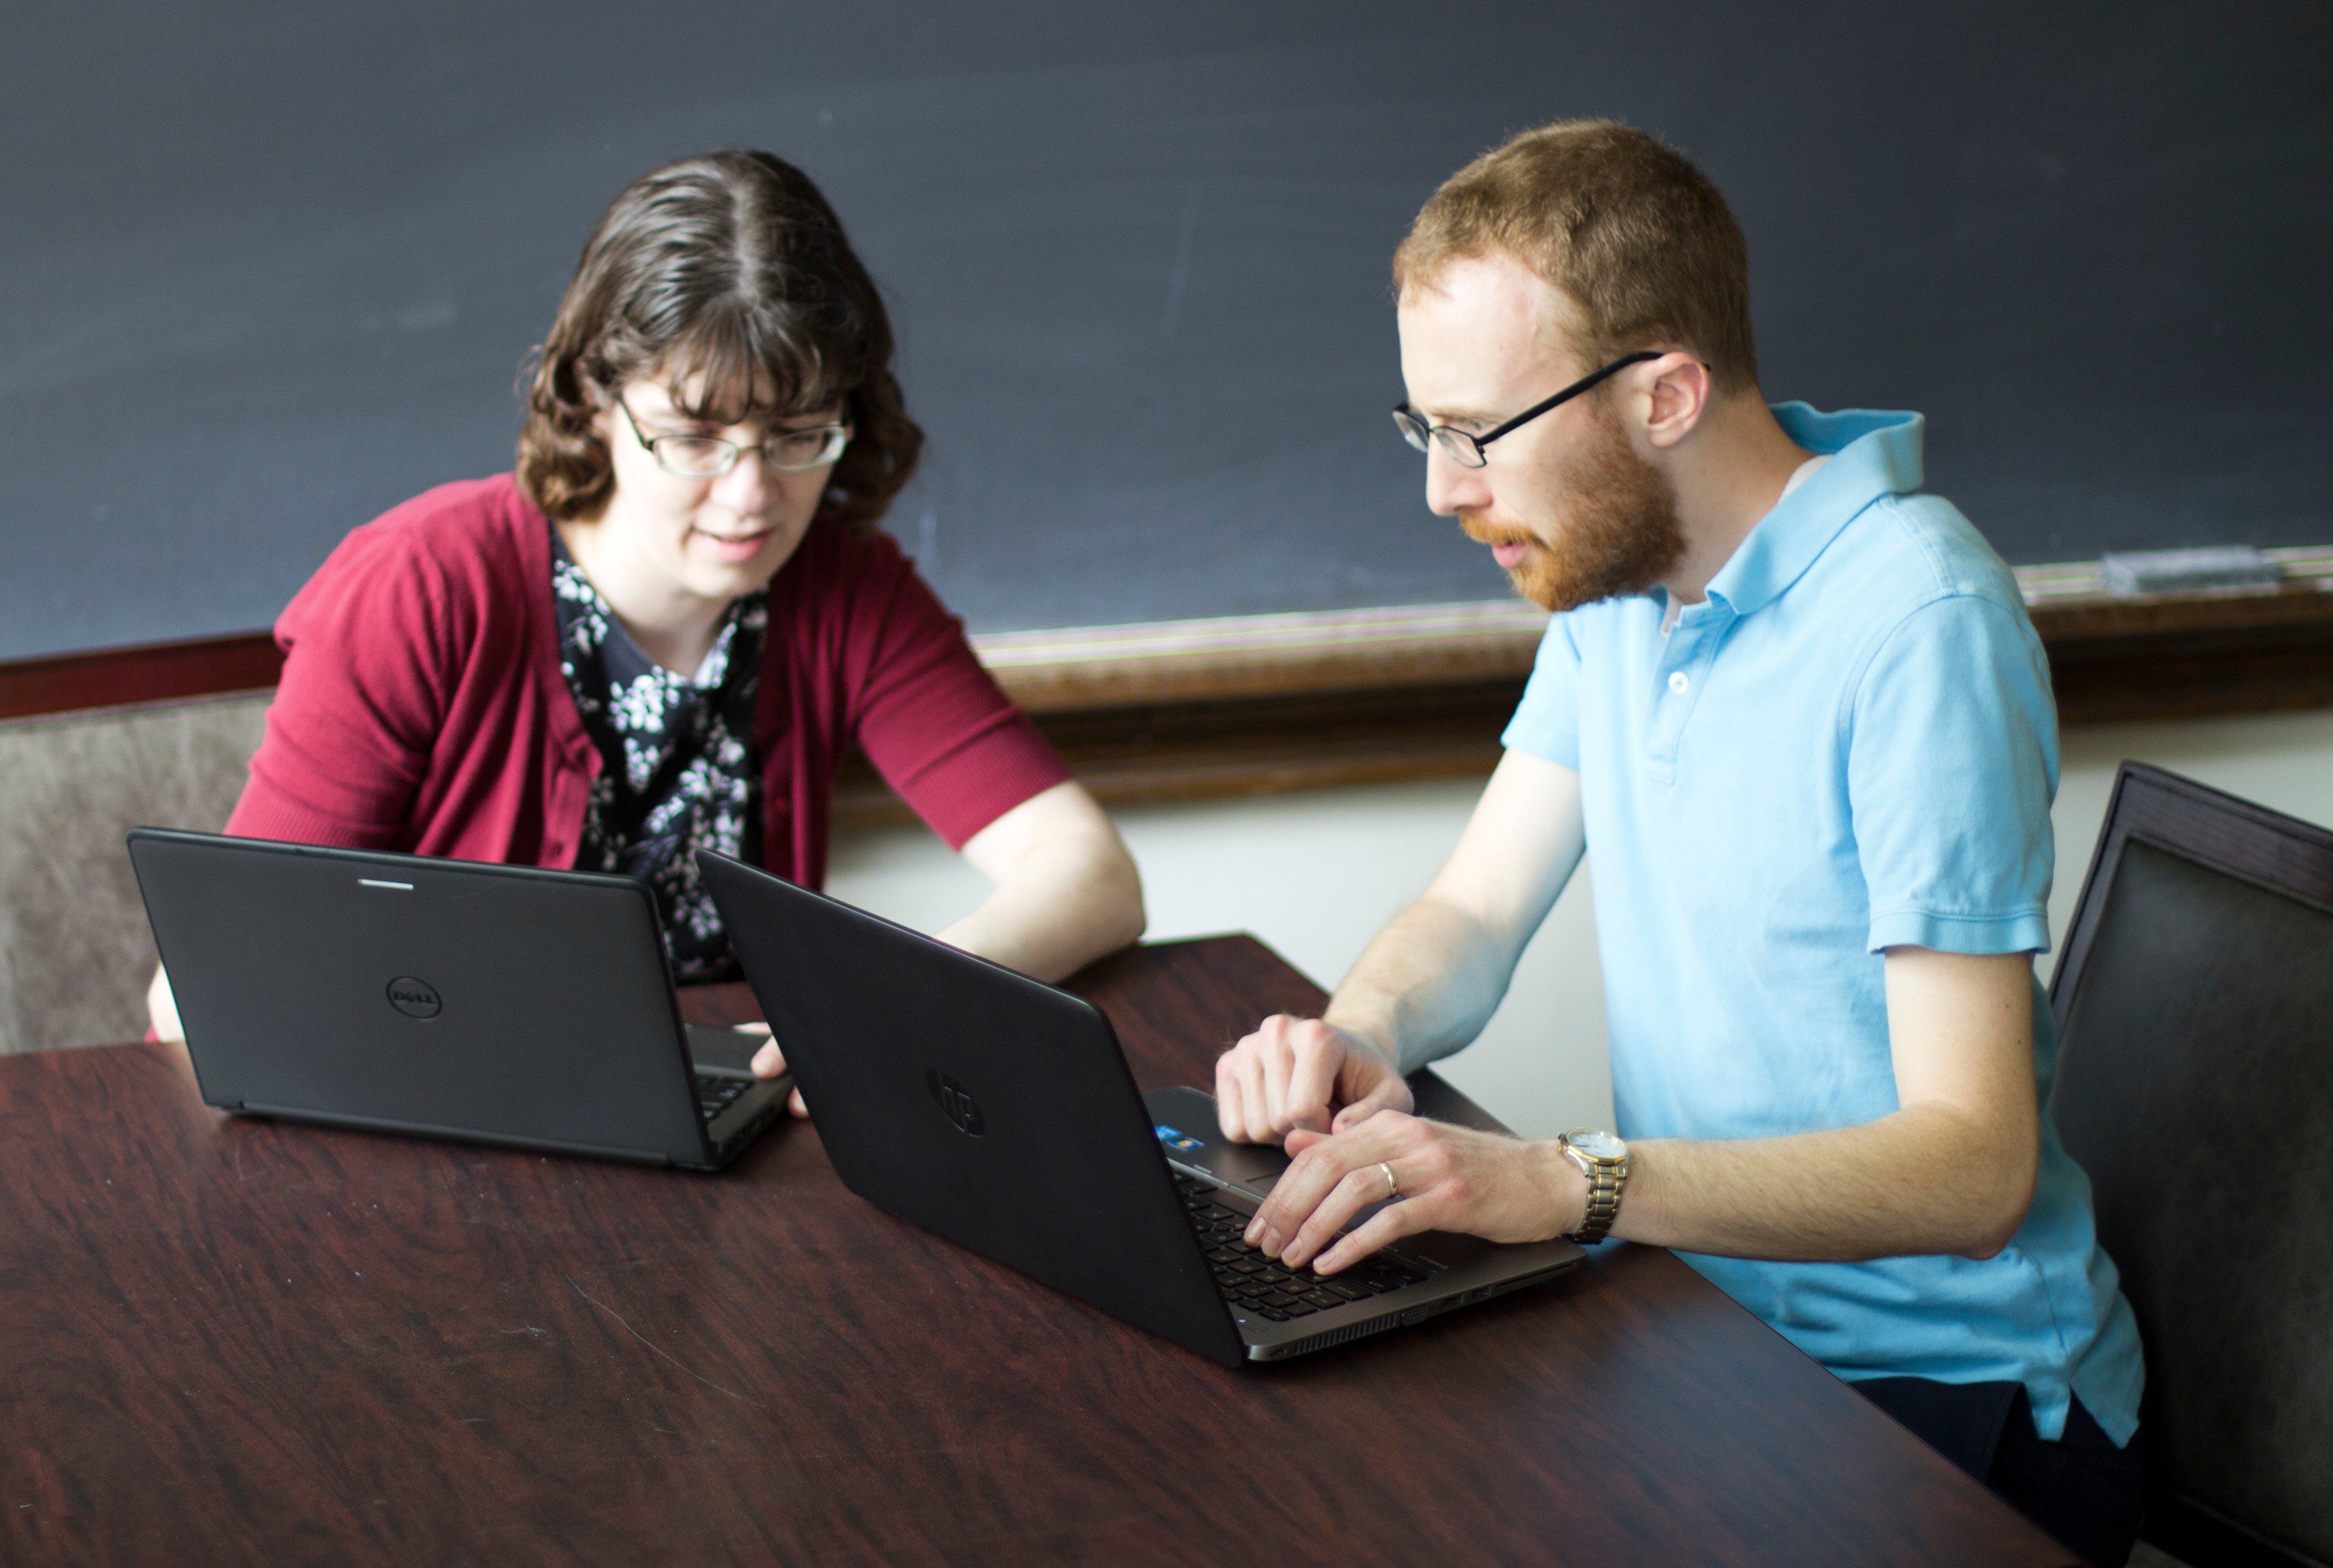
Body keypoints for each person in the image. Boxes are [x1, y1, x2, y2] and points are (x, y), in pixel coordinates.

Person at [1212, 122, 2145, 1567]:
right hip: (1698, 1321)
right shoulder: (1612, 580)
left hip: (1953, 1398)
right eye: (1422, 430)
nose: (1442, 491)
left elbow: (1974, 1168)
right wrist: (1361, 1026)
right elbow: (1472, 905)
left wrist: (1573, 1178)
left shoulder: (1917, 623)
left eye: (1475, 435)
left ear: (1663, 393)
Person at [149, 151, 1145, 1097]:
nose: (753, 495)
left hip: (713, 1138)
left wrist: (890, 997)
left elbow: (1090, 873)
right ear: (593, 399)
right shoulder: (423, 586)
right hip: (438, 1109)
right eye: (694, 436)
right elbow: (203, 989)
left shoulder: (848, 590)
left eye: (799, 434)